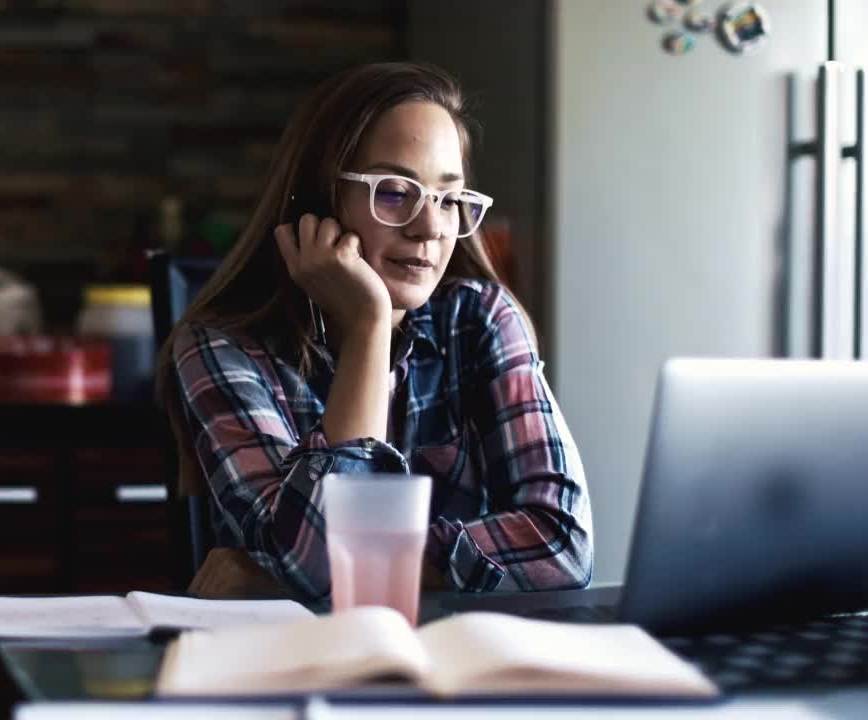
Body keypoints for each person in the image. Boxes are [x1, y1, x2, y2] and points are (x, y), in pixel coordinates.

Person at [155, 61, 592, 602]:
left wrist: (358, 564)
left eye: (450, 199)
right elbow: (316, 563)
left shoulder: (479, 318)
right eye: (393, 192)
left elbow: (562, 545)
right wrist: (369, 325)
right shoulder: (221, 347)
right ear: (317, 202)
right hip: (288, 665)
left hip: (456, 659)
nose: (430, 228)